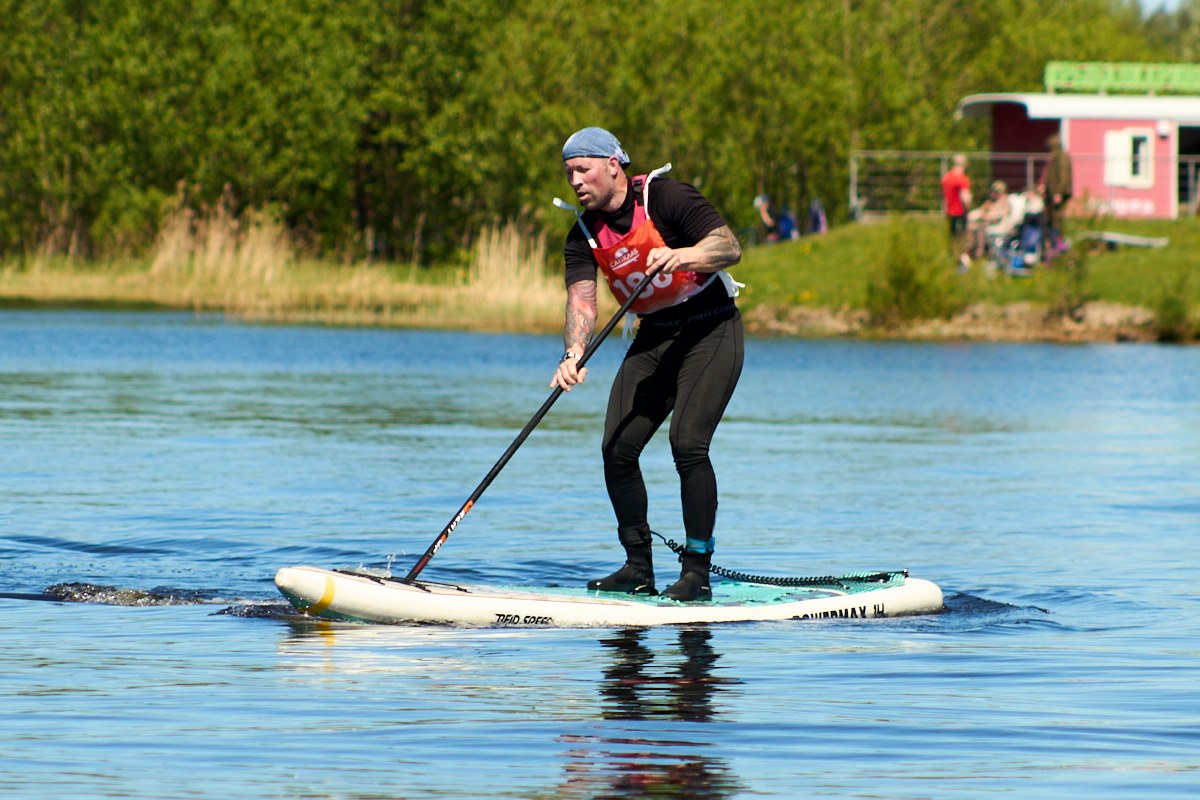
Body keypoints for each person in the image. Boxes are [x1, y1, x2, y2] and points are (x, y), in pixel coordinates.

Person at [553, 126, 744, 602]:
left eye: (582, 170)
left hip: (711, 329)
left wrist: (684, 255)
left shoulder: (666, 197)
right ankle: (637, 567)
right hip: (655, 336)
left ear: (612, 165)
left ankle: (696, 573)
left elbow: (729, 247)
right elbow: (582, 301)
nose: (575, 181)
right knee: (617, 448)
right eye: (568, 173)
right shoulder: (583, 234)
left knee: (688, 444)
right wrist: (573, 354)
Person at [1040, 133, 1073, 255]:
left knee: (1057, 220)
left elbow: (1063, 177)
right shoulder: (1056, 158)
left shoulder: (1062, 158)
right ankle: (1053, 245)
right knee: (1050, 219)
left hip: (1058, 195)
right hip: (1052, 194)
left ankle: (1059, 246)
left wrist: (1058, 193)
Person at [940, 154, 972, 270]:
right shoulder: (962, 179)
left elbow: (944, 197)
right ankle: (961, 263)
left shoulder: (946, 177)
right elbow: (965, 197)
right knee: (961, 238)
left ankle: (950, 258)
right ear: (965, 164)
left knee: (952, 237)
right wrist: (968, 209)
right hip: (960, 212)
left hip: (950, 212)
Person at [966, 180, 1013, 258]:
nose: (993, 193)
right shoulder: (990, 201)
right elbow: (982, 210)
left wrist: (988, 217)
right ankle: (971, 249)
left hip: (999, 223)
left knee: (979, 228)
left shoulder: (1004, 201)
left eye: (995, 192)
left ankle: (979, 251)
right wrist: (972, 215)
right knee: (971, 226)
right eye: (992, 191)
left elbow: (1002, 214)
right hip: (988, 222)